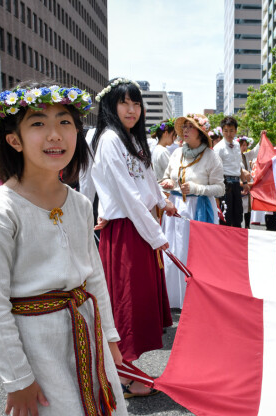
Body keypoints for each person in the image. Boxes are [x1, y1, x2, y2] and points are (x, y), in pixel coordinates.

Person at [0, 82, 136, 416]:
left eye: (65, 121)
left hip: (86, 333)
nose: (55, 134)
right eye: (38, 123)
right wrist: (17, 379)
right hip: (38, 347)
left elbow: (94, 278)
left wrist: (109, 336)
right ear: (14, 139)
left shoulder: (77, 203)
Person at [90, 78, 176, 398]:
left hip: (138, 228)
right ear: (111, 105)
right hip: (127, 229)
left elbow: (148, 181)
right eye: (125, 103)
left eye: (136, 104)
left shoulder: (132, 140)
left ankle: (124, 370)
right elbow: (127, 196)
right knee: (125, 305)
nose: (131, 110)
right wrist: (156, 235)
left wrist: (165, 204)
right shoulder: (110, 139)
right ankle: (124, 376)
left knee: (136, 303)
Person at [160, 113, 224, 308]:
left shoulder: (212, 156)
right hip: (174, 209)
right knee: (173, 251)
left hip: (199, 208)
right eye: (184, 127)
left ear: (201, 132)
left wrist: (196, 189)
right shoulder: (176, 153)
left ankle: (196, 297)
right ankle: (173, 298)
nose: (185, 130)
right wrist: (167, 182)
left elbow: (220, 188)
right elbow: (163, 178)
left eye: (191, 127)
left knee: (195, 253)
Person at [213, 116, 246, 227]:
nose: (228, 134)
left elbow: (239, 166)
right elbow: (215, 170)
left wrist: (245, 182)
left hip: (236, 184)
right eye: (226, 131)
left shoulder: (237, 145)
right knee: (226, 216)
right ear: (222, 131)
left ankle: (238, 242)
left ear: (236, 131)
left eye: (231, 131)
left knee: (238, 215)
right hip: (225, 184)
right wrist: (217, 193)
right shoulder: (219, 147)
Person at [150, 118, 177, 183]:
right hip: (166, 187)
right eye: (174, 134)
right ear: (166, 133)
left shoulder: (156, 148)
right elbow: (172, 172)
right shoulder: (163, 151)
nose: (175, 138)